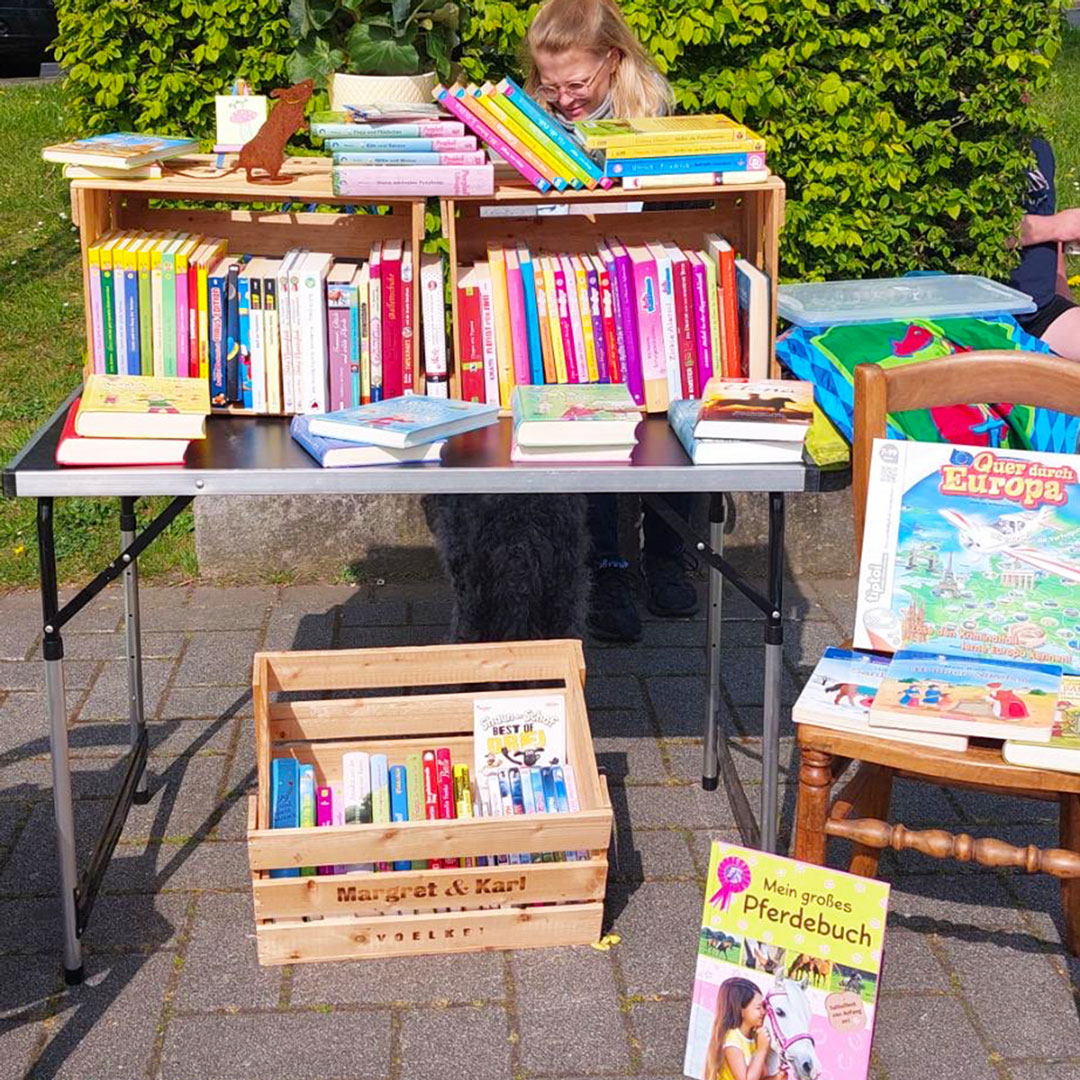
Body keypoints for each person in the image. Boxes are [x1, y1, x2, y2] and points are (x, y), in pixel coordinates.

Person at [525, 0, 700, 642]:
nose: (565, 98)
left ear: (613, 62)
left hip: (650, 299)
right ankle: (606, 564)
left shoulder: (659, 121)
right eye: (551, 85)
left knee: (671, 413)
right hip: (572, 298)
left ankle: (667, 556)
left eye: (578, 84)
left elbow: (691, 218)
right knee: (582, 419)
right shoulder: (532, 122)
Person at [1009, 137, 1080, 362]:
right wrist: (1057, 225)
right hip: (988, 312)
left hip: (1041, 309)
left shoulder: (1037, 146)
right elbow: (966, 234)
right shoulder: (969, 145)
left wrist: (1061, 293)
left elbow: (1052, 223)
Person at [704, 977, 785, 1080]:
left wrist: (777, 1077)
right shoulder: (731, 1040)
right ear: (741, 1011)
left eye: (764, 1007)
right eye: (758, 1008)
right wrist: (761, 1050)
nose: (763, 1012)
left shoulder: (755, 1038)